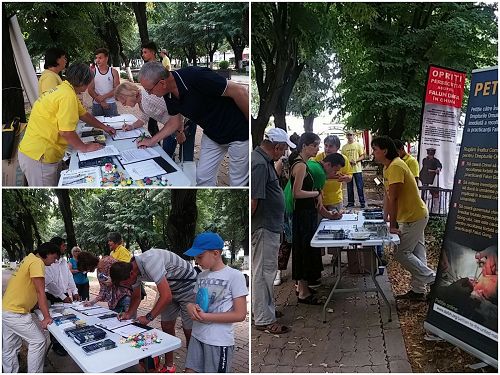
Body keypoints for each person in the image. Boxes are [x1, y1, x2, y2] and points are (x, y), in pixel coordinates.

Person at [136, 62, 249, 186]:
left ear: (162, 83)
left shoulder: (195, 76)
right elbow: (174, 121)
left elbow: (239, 91)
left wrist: (251, 127)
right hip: (212, 134)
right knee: (202, 177)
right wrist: (151, 141)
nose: (149, 93)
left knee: (238, 182)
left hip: (238, 133)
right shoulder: (167, 94)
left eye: (148, 90)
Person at [18, 63, 116, 186]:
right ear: (83, 82)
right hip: (39, 155)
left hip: (40, 152)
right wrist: (84, 147)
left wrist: (104, 127)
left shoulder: (65, 89)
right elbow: (66, 132)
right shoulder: (67, 95)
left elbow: (83, 115)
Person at [110, 248, 198, 373]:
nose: (128, 286)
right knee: (166, 326)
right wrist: (128, 314)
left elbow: (166, 296)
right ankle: (169, 366)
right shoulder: (132, 269)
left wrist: (148, 317)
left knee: (189, 330)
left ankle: (192, 368)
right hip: (170, 288)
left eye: (127, 284)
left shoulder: (150, 261)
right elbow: (136, 296)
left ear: (131, 275)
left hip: (188, 286)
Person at [371, 136, 435, 301]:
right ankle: (419, 291)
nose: (373, 153)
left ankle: (434, 280)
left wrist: (392, 225)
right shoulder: (388, 167)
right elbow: (387, 196)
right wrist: (383, 219)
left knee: (401, 253)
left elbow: (394, 198)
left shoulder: (397, 166)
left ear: (384, 151)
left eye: (375, 149)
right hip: (411, 216)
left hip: (414, 217)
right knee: (418, 254)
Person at [288, 133, 343, 304]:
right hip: (302, 214)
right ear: (304, 146)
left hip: (306, 214)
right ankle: (303, 292)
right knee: (303, 251)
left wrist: (327, 213)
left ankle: (303, 287)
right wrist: (317, 193)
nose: (318, 149)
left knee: (305, 250)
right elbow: (296, 194)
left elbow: (316, 202)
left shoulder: (305, 164)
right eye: (316, 146)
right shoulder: (302, 166)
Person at [251, 128, 295, 334]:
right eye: (284, 148)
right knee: (263, 273)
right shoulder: (259, 164)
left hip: (267, 226)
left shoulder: (263, 161)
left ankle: (263, 310)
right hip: (264, 227)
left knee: (263, 272)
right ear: (277, 147)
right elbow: (253, 200)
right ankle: (263, 319)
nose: (284, 153)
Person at [184, 232, 248, 373]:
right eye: (195, 257)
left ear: (216, 253)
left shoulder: (235, 276)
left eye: (200, 257)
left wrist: (207, 317)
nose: (197, 261)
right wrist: (189, 307)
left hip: (218, 341)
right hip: (197, 336)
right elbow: (194, 302)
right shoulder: (201, 276)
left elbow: (240, 314)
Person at [2, 242, 60, 373]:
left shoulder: (29, 258)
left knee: (10, 348)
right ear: (48, 253)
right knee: (38, 342)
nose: (54, 261)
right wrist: (46, 317)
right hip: (16, 312)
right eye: (54, 258)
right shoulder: (37, 262)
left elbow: (28, 287)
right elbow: (40, 291)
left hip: (6, 308)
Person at [115, 82, 196, 162]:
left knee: (186, 157)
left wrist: (180, 132)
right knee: (166, 153)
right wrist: (131, 126)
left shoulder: (149, 98)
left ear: (130, 94)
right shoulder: (141, 100)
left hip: (184, 123)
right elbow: (144, 117)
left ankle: (187, 173)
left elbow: (178, 111)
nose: (123, 105)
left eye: (124, 101)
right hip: (171, 125)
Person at [45, 236, 80, 356]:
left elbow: (69, 277)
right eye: (63, 245)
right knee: (53, 321)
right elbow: (49, 283)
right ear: (57, 246)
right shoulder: (48, 262)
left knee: (66, 319)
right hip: (51, 295)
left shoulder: (64, 261)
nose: (65, 247)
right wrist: (62, 296)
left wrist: (74, 291)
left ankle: (66, 342)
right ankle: (56, 345)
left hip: (63, 294)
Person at [314, 135, 353, 212]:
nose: (327, 149)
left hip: (336, 199)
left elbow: (350, 176)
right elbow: (313, 178)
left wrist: (347, 178)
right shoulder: (318, 158)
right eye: (326, 146)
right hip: (320, 199)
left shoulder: (343, 159)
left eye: (331, 146)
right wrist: (327, 176)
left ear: (337, 148)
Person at [88, 48, 120, 117]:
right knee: (97, 126)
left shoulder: (113, 72)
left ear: (106, 58)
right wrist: (101, 101)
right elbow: (90, 89)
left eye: (100, 58)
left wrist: (103, 97)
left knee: (113, 124)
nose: (97, 60)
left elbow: (117, 89)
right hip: (97, 104)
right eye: (96, 58)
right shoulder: (93, 72)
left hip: (110, 104)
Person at [341, 131, 366, 208]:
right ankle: (351, 202)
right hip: (348, 170)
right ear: (346, 136)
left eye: (351, 135)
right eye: (348, 135)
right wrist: (348, 162)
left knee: (359, 186)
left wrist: (356, 160)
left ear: (354, 135)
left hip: (357, 169)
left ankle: (362, 202)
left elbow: (363, 156)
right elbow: (342, 158)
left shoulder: (358, 145)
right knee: (349, 187)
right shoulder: (344, 147)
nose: (349, 136)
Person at [141, 41, 160, 136]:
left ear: (153, 52)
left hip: (158, 99)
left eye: (145, 52)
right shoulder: (146, 66)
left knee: (153, 125)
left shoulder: (159, 67)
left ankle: (156, 145)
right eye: (142, 52)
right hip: (149, 98)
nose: (143, 55)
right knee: (152, 125)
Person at [420, 147, 443, 213]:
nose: (431, 156)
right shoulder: (425, 160)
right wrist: (434, 171)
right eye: (429, 155)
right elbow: (426, 169)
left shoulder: (436, 160)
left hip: (432, 179)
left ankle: (433, 210)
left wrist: (438, 169)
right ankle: (423, 207)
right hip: (424, 178)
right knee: (424, 193)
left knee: (434, 193)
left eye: (432, 155)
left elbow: (439, 165)